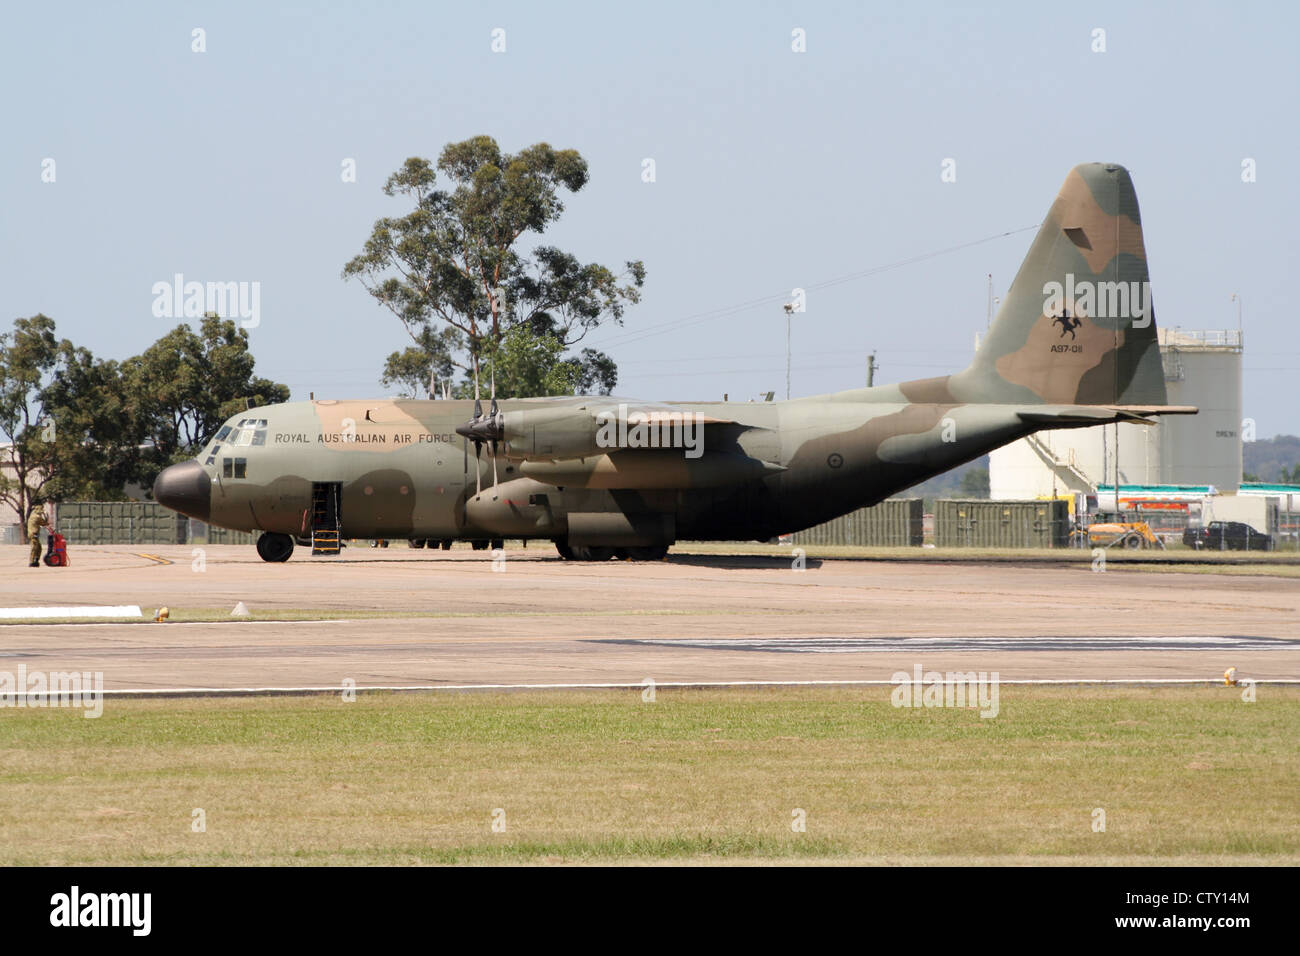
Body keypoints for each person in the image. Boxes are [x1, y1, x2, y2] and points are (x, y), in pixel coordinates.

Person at [26, 502, 49, 568]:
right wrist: (47, 522)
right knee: (34, 548)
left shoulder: (33, 514)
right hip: (33, 534)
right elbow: (44, 523)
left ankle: (36, 560)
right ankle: (32, 562)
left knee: (38, 548)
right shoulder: (36, 517)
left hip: (33, 534)